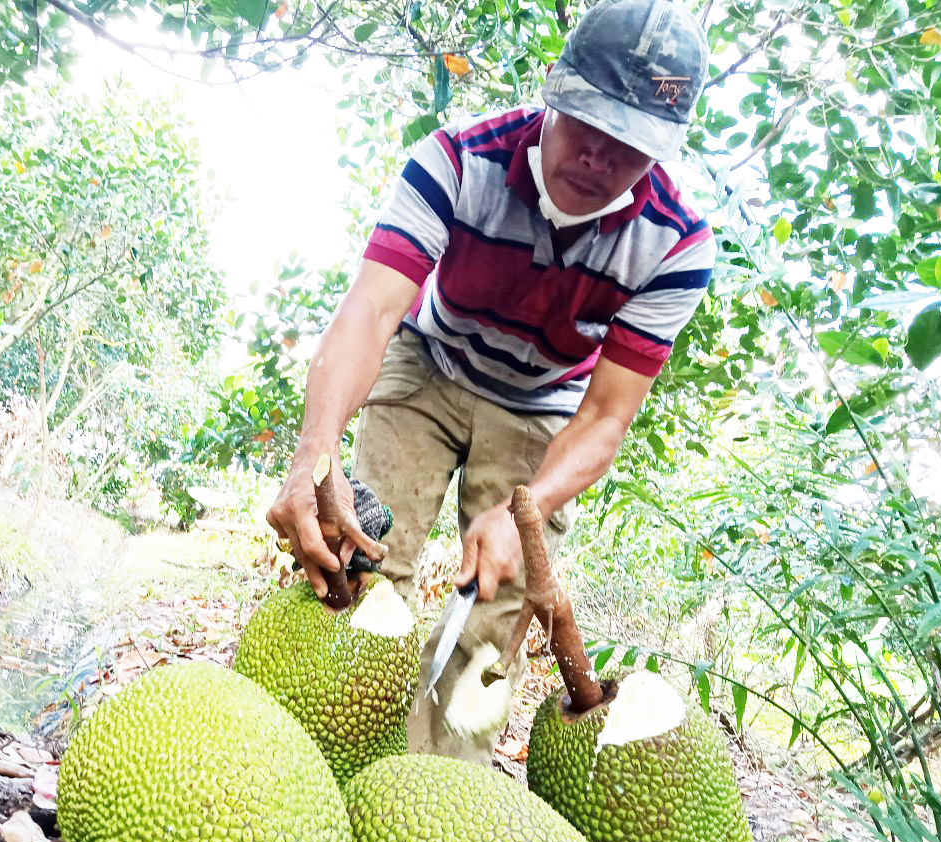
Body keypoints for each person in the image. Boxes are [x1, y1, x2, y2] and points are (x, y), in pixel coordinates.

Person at [266, 0, 715, 764]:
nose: (601, 159)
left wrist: (527, 513)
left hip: (546, 405)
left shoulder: (676, 245)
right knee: (361, 559)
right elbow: (372, 311)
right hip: (429, 361)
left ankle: (444, 792)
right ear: (555, 92)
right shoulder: (455, 161)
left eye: (630, 145)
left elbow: (607, 417)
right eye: (590, 127)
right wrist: (315, 454)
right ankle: (317, 768)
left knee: (496, 605)